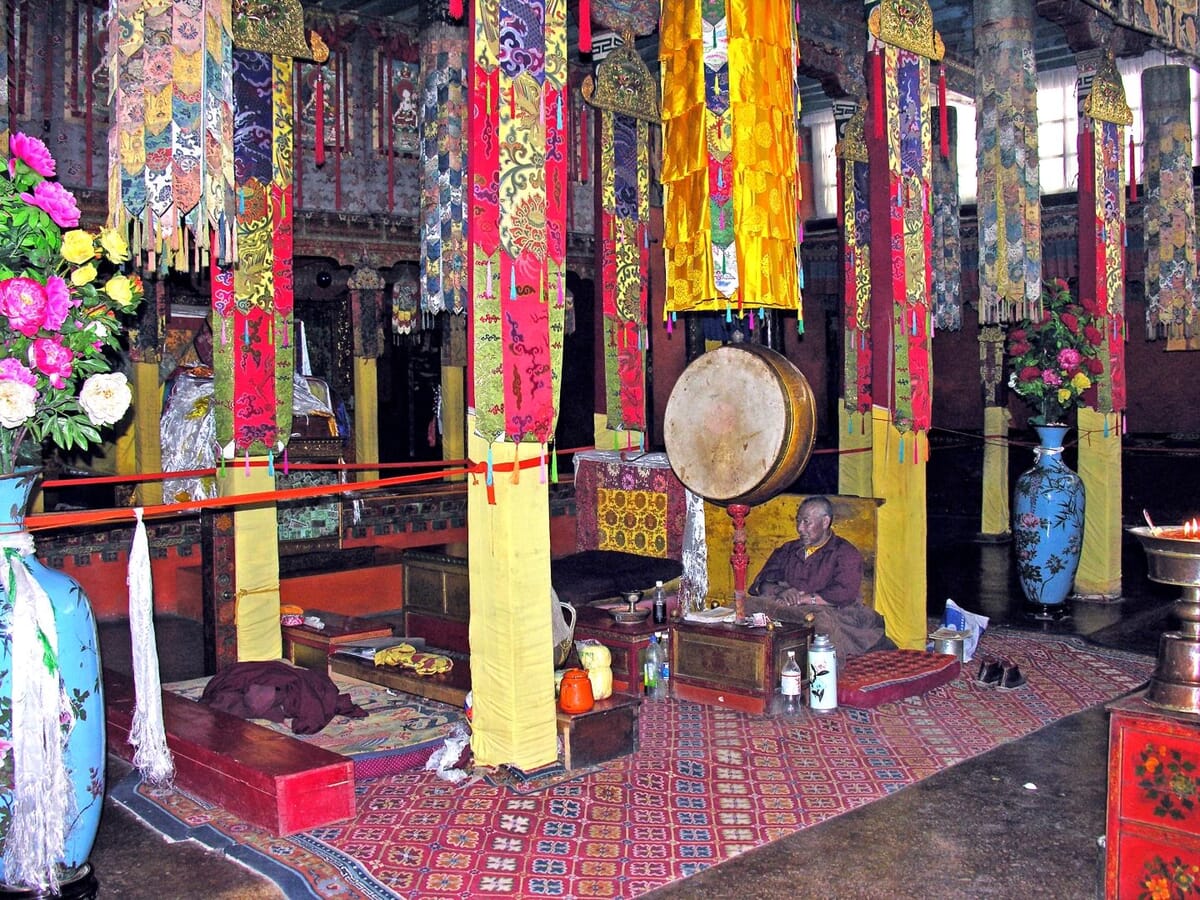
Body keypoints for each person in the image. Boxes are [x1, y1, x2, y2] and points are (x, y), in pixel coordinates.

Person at [747, 496, 894, 658]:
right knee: (747, 606)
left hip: (835, 613)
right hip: (788, 609)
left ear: (825, 522)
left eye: (806, 522)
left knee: (821, 622)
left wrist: (803, 599)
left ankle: (825, 673)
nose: (800, 528)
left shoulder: (845, 552)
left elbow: (844, 593)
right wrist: (782, 591)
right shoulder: (789, 549)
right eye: (798, 521)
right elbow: (761, 583)